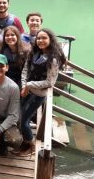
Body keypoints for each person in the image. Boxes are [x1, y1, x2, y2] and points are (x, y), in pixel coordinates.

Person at [17, 28, 66, 156]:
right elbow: (25, 70)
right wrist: (24, 85)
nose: (41, 41)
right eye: (39, 38)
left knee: (23, 121)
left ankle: (31, 144)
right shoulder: (34, 52)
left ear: (50, 39)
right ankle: (25, 141)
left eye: (44, 38)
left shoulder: (53, 59)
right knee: (19, 116)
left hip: (38, 94)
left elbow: (50, 82)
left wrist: (29, 84)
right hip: (26, 90)